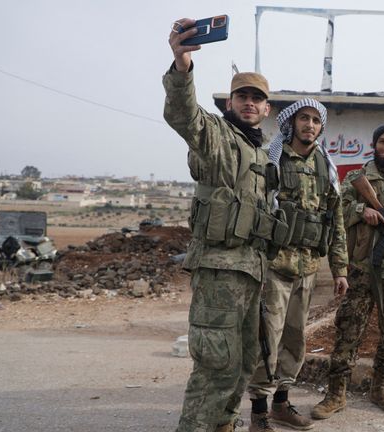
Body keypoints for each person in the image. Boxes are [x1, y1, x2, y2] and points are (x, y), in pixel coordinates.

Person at [165, 18, 287, 432]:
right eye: (242, 96)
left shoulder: (263, 155)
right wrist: (182, 65)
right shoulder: (216, 136)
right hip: (219, 269)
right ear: (230, 102)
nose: (249, 103)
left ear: (267, 108)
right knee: (215, 366)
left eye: (257, 98)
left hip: (250, 271)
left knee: (242, 366)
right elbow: (185, 117)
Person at [310, 124, 384, 419]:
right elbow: (336, 213)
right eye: (382, 141)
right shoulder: (355, 179)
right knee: (349, 330)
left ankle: (381, 389)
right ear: (374, 145)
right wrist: (359, 211)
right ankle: (336, 394)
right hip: (362, 269)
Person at [245, 99, 349, 431]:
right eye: (304, 118)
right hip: (274, 264)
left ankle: (281, 403)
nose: (309, 125)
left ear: (321, 127)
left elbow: (337, 221)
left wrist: (340, 269)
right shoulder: (271, 160)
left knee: (294, 338)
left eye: (316, 120)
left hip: (307, 267)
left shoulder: (326, 165)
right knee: (268, 338)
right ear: (292, 123)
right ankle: (258, 410)